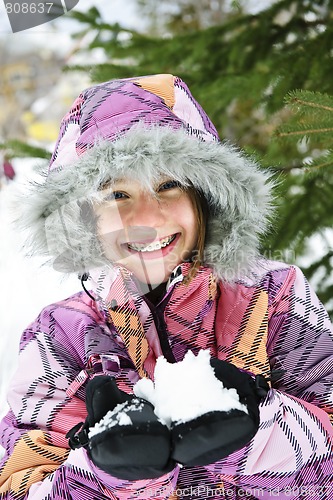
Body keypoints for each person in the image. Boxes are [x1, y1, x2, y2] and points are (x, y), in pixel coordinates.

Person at [0, 74, 332, 500]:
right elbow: (19, 486)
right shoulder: (61, 334)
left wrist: (254, 433)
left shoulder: (274, 295)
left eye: (168, 185)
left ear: (205, 196)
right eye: (117, 194)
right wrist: (112, 473)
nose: (148, 217)